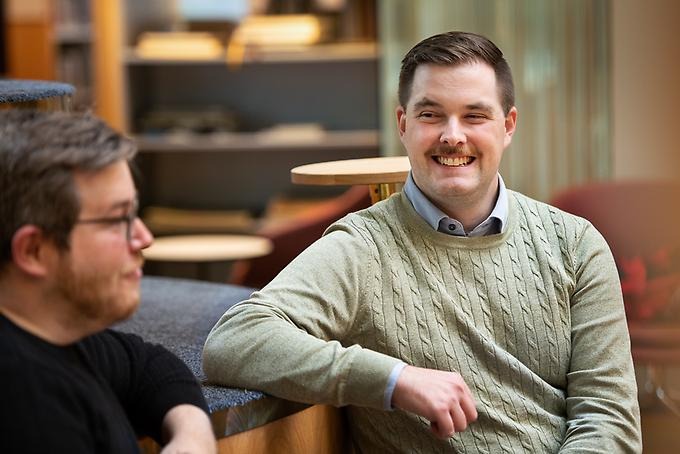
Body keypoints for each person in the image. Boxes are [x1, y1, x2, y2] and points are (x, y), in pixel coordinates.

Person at [203, 31, 641, 452]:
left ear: (508, 126)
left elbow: (607, 418)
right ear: (403, 123)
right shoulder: (362, 247)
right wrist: (394, 380)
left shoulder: (576, 244)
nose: (453, 135)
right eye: (431, 114)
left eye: (475, 115)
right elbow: (234, 341)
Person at [0, 110, 216, 454]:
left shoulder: (54, 331)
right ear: (33, 250)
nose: (144, 238)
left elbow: (146, 365)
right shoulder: (28, 409)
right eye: (118, 219)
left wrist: (192, 437)